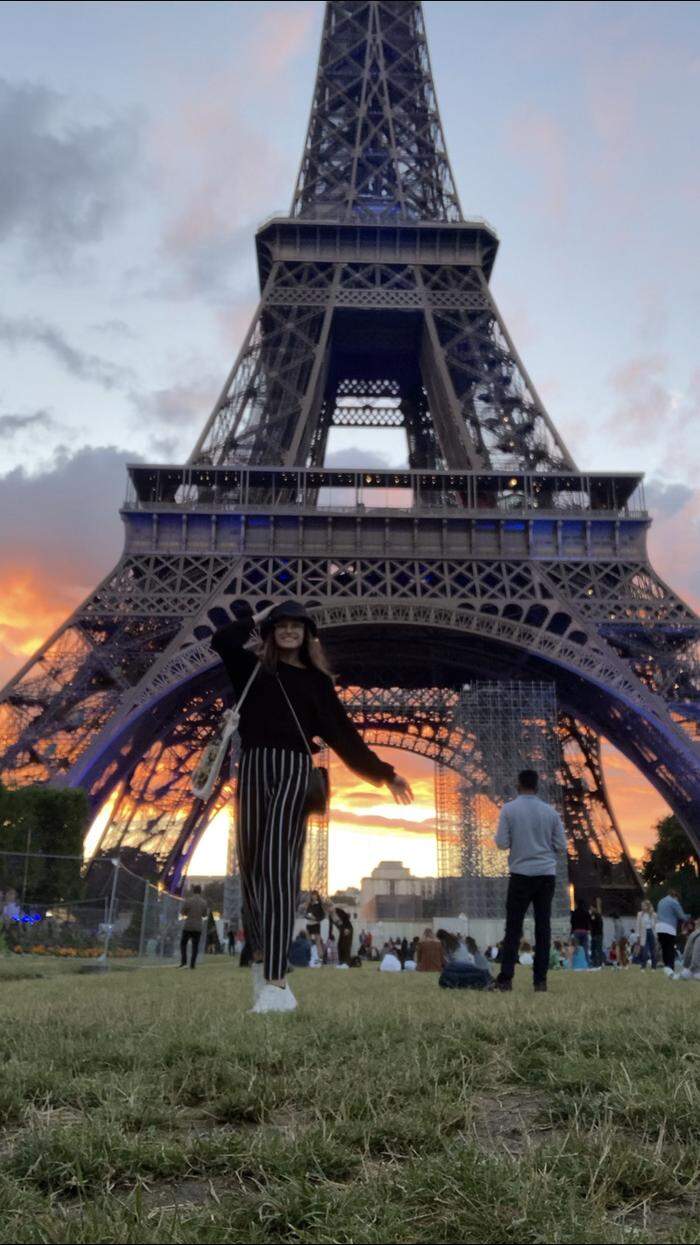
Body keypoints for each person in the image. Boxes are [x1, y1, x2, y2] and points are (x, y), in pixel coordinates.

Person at [211, 600, 413, 1014]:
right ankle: (264, 958)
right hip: (251, 767)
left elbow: (344, 738)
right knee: (249, 865)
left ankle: (278, 978)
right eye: (281, 626)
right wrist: (261, 616)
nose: (288, 632)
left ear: (307, 635)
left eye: (295, 627)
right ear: (272, 631)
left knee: (277, 866)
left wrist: (385, 773)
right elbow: (222, 638)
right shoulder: (252, 668)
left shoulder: (318, 684)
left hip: (291, 770)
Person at [494, 769, 568, 993]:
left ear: (518, 784)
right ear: (537, 786)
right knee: (543, 928)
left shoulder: (509, 810)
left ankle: (506, 979)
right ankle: (540, 981)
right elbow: (562, 846)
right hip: (546, 874)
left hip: (520, 874)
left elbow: (501, 843)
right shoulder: (551, 813)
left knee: (513, 928)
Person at [655, 888, 690, 976]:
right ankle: (671, 969)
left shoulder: (661, 901)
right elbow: (681, 916)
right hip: (669, 928)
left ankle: (666, 969)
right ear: (676, 896)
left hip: (659, 927)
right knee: (670, 949)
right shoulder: (674, 902)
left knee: (664, 949)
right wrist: (689, 917)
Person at [178, 884, 208, 970]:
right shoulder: (204, 902)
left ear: (193, 891)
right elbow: (204, 915)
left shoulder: (188, 901)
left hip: (188, 925)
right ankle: (192, 964)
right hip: (198, 926)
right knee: (195, 946)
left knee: (183, 944)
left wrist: (188, 913)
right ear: (200, 891)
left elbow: (183, 912)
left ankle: (184, 962)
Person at [305, 890, 326, 963]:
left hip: (316, 924)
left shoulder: (319, 905)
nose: (314, 896)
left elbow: (323, 916)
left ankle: (320, 959)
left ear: (317, 896)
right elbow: (306, 914)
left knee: (318, 942)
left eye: (315, 895)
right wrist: (308, 916)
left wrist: (316, 918)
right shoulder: (309, 904)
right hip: (309, 924)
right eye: (312, 895)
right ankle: (310, 958)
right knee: (308, 941)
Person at [635, 899, 657, 969]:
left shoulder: (654, 914)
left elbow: (656, 926)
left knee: (653, 951)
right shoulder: (639, 914)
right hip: (644, 934)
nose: (642, 907)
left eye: (643, 906)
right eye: (642, 906)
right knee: (644, 950)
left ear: (647, 906)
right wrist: (638, 936)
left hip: (652, 933)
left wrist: (657, 936)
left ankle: (654, 967)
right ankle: (643, 966)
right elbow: (637, 926)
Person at [589, 903, 604, 968]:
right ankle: (598, 963)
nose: (590, 909)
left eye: (591, 908)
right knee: (598, 949)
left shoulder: (595, 915)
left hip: (596, 934)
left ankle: (596, 963)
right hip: (599, 934)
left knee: (595, 949)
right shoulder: (599, 915)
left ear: (594, 908)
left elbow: (592, 923)